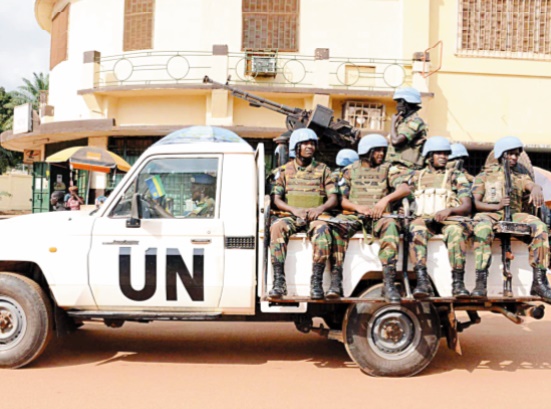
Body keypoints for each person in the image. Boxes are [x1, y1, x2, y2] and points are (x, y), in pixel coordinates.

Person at [333, 134, 412, 302]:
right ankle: (335, 281)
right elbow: (339, 199)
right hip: (355, 215)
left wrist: (385, 200)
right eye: (378, 151)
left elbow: (405, 188)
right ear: (367, 152)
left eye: (383, 151)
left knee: (391, 225)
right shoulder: (350, 171)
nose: (381, 154)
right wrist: (357, 208)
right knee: (336, 228)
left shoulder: (388, 169)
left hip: (380, 217)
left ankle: (389, 283)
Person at [471, 136, 551, 300]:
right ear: (501, 154)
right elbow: (476, 203)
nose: (514, 158)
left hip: (514, 214)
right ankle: (480, 282)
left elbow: (530, 184)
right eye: (510, 154)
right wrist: (496, 206)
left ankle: (539, 282)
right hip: (490, 213)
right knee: (482, 228)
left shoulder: (520, 176)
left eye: (516, 154)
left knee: (541, 227)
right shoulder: (485, 176)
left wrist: (536, 187)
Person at [269, 128, 338, 300]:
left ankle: (316, 282)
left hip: (316, 217)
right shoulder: (284, 171)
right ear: (296, 147)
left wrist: (319, 209)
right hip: (292, 216)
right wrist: (294, 210)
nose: (310, 147)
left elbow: (333, 198)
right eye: (305, 144)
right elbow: (276, 199)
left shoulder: (323, 170)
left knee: (323, 231)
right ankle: (279, 282)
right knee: (277, 228)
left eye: (312, 144)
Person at [408, 136, 472, 299]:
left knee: (456, 233)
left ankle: (458, 283)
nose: (443, 156)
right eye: (439, 153)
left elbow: (467, 205)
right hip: (424, 219)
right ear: (429, 155)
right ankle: (422, 281)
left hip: (448, 220)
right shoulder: (417, 176)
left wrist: (450, 210)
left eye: (446, 153)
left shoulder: (455, 176)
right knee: (416, 230)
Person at [386, 87, 428, 171]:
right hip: (397, 167)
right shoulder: (403, 122)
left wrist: (393, 122)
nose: (397, 106)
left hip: (407, 169)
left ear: (404, 103)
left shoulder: (415, 122)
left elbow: (396, 142)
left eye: (398, 102)